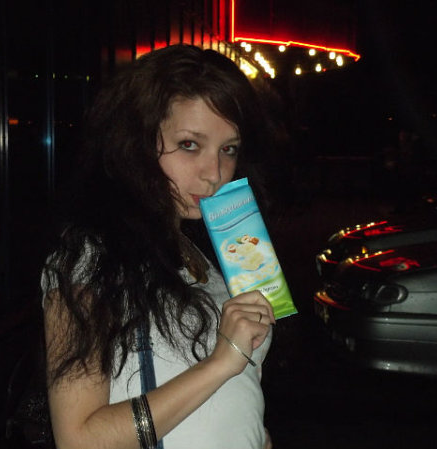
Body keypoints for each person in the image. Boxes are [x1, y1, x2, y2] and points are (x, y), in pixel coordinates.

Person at [41, 44, 277, 449]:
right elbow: (78, 439)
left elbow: (234, 396)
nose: (214, 173)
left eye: (228, 149)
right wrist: (222, 362)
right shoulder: (90, 258)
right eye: (190, 144)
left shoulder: (207, 252)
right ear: (137, 142)